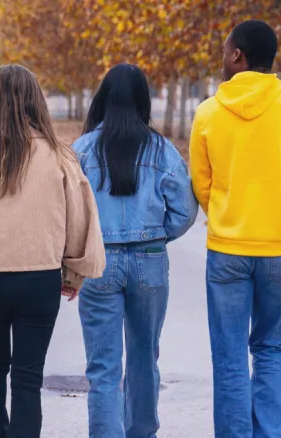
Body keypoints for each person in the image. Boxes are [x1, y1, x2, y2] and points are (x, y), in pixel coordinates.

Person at [0, 64, 106, 438]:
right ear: (35, 101)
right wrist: (74, 273)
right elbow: (80, 220)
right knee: (28, 378)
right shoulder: (60, 158)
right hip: (39, 279)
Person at [189, 20, 281, 438]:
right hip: (280, 249)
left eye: (224, 48)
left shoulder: (208, 113)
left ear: (237, 56)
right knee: (270, 349)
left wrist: (227, 216)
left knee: (229, 357)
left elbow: (202, 183)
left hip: (227, 248)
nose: (220, 56)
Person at [72, 64, 197, 438]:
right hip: (149, 261)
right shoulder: (163, 150)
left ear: (103, 99)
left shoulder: (81, 150)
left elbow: (69, 212)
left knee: (102, 367)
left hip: (100, 262)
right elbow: (186, 211)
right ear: (144, 100)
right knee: (145, 357)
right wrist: (157, 236)